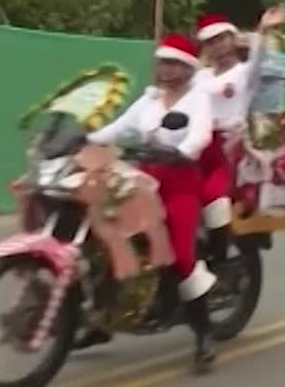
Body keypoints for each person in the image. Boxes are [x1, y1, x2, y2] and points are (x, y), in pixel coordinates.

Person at [79, 34, 218, 370]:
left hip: (180, 183)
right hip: (144, 181)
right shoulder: (149, 99)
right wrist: (83, 139)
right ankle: (102, 320)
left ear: (188, 68)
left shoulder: (198, 99)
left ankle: (204, 334)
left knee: (181, 257)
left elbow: (201, 133)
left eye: (174, 63)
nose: (165, 69)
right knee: (105, 240)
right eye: (162, 62)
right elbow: (118, 128)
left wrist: (183, 151)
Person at [194, 7, 285, 259]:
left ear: (232, 39)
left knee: (217, 202)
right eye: (210, 42)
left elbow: (259, 58)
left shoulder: (245, 73)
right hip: (197, 142)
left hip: (230, 146)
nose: (217, 47)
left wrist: (263, 30)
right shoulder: (199, 76)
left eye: (221, 39)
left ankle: (221, 253)